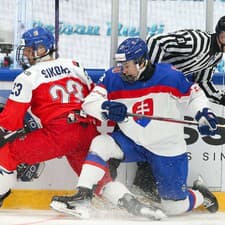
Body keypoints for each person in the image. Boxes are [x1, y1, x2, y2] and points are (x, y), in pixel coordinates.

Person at [50, 37, 219, 219]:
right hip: (132, 141)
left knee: (174, 208)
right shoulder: (113, 77)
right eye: (121, 64)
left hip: (166, 146)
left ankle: (201, 194)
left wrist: (203, 113)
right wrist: (104, 108)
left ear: (142, 62)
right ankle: (82, 196)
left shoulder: (169, 75)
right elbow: (89, 103)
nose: (122, 69)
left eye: (127, 65)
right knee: (101, 142)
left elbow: (194, 95)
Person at [0, 26, 101, 207]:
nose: (27, 55)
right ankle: (129, 202)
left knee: (7, 152)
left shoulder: (28, 76)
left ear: (41, 49)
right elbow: (96, 97)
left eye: (30, 50)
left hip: (60, 134)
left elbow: (10, 122)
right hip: (89, 131)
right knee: (96, 178)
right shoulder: (75, 65)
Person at [134, 15, 225, 197]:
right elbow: (156, 41)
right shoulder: (198, 41)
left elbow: (203, 82)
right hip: (144, 92)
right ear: (220, 33)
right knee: (142, 138)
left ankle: (145, 187)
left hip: (163, 96)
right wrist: (153, 77)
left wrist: (222, 98)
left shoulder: (216, 55)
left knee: (158, 141)